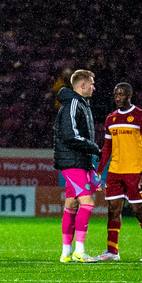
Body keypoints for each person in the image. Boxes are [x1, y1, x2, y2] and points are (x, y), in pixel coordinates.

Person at [95, 82, 142, 262]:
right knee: (113, 210)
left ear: (130, 95)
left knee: (138, 210)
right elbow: (107, 148)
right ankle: (112, 251)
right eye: (116, 94)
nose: (118, 98)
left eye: (121, 94)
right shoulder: (111, 119)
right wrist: (99, 171)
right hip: (115, 171)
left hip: (134, 170)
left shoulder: (140, 116)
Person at [52, 69, 101, 263]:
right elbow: (70, 134)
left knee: (71, 204)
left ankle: (66, 253)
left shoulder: (80, 103)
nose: (93, 87)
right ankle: (79, 251)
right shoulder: (73, 103)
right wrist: (94, 148)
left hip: (77, 160)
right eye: (91, 83)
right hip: (72, 160)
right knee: (88, 204)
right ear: (82, 85)